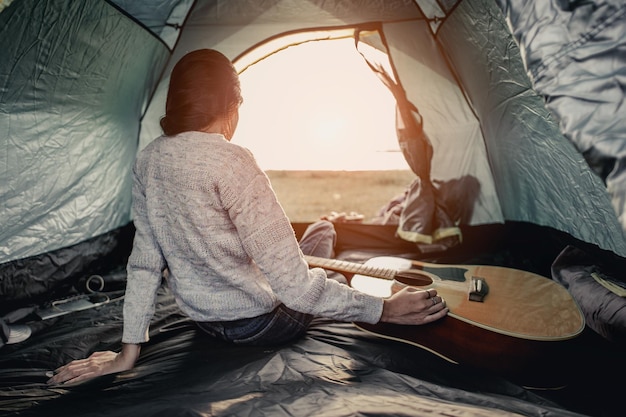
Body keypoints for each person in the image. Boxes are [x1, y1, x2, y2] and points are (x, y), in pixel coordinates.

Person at [48, 49, 448, 385]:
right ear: (232, 105)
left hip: (205, 321)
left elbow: (145, 263)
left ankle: (325, 229)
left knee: (317, 238)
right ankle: (330, 235)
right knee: (329, 265)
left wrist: (127, 353)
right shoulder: (233, 161)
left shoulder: (150, 158)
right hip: (260, 323)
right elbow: (296, 290)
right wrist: (386, 311)